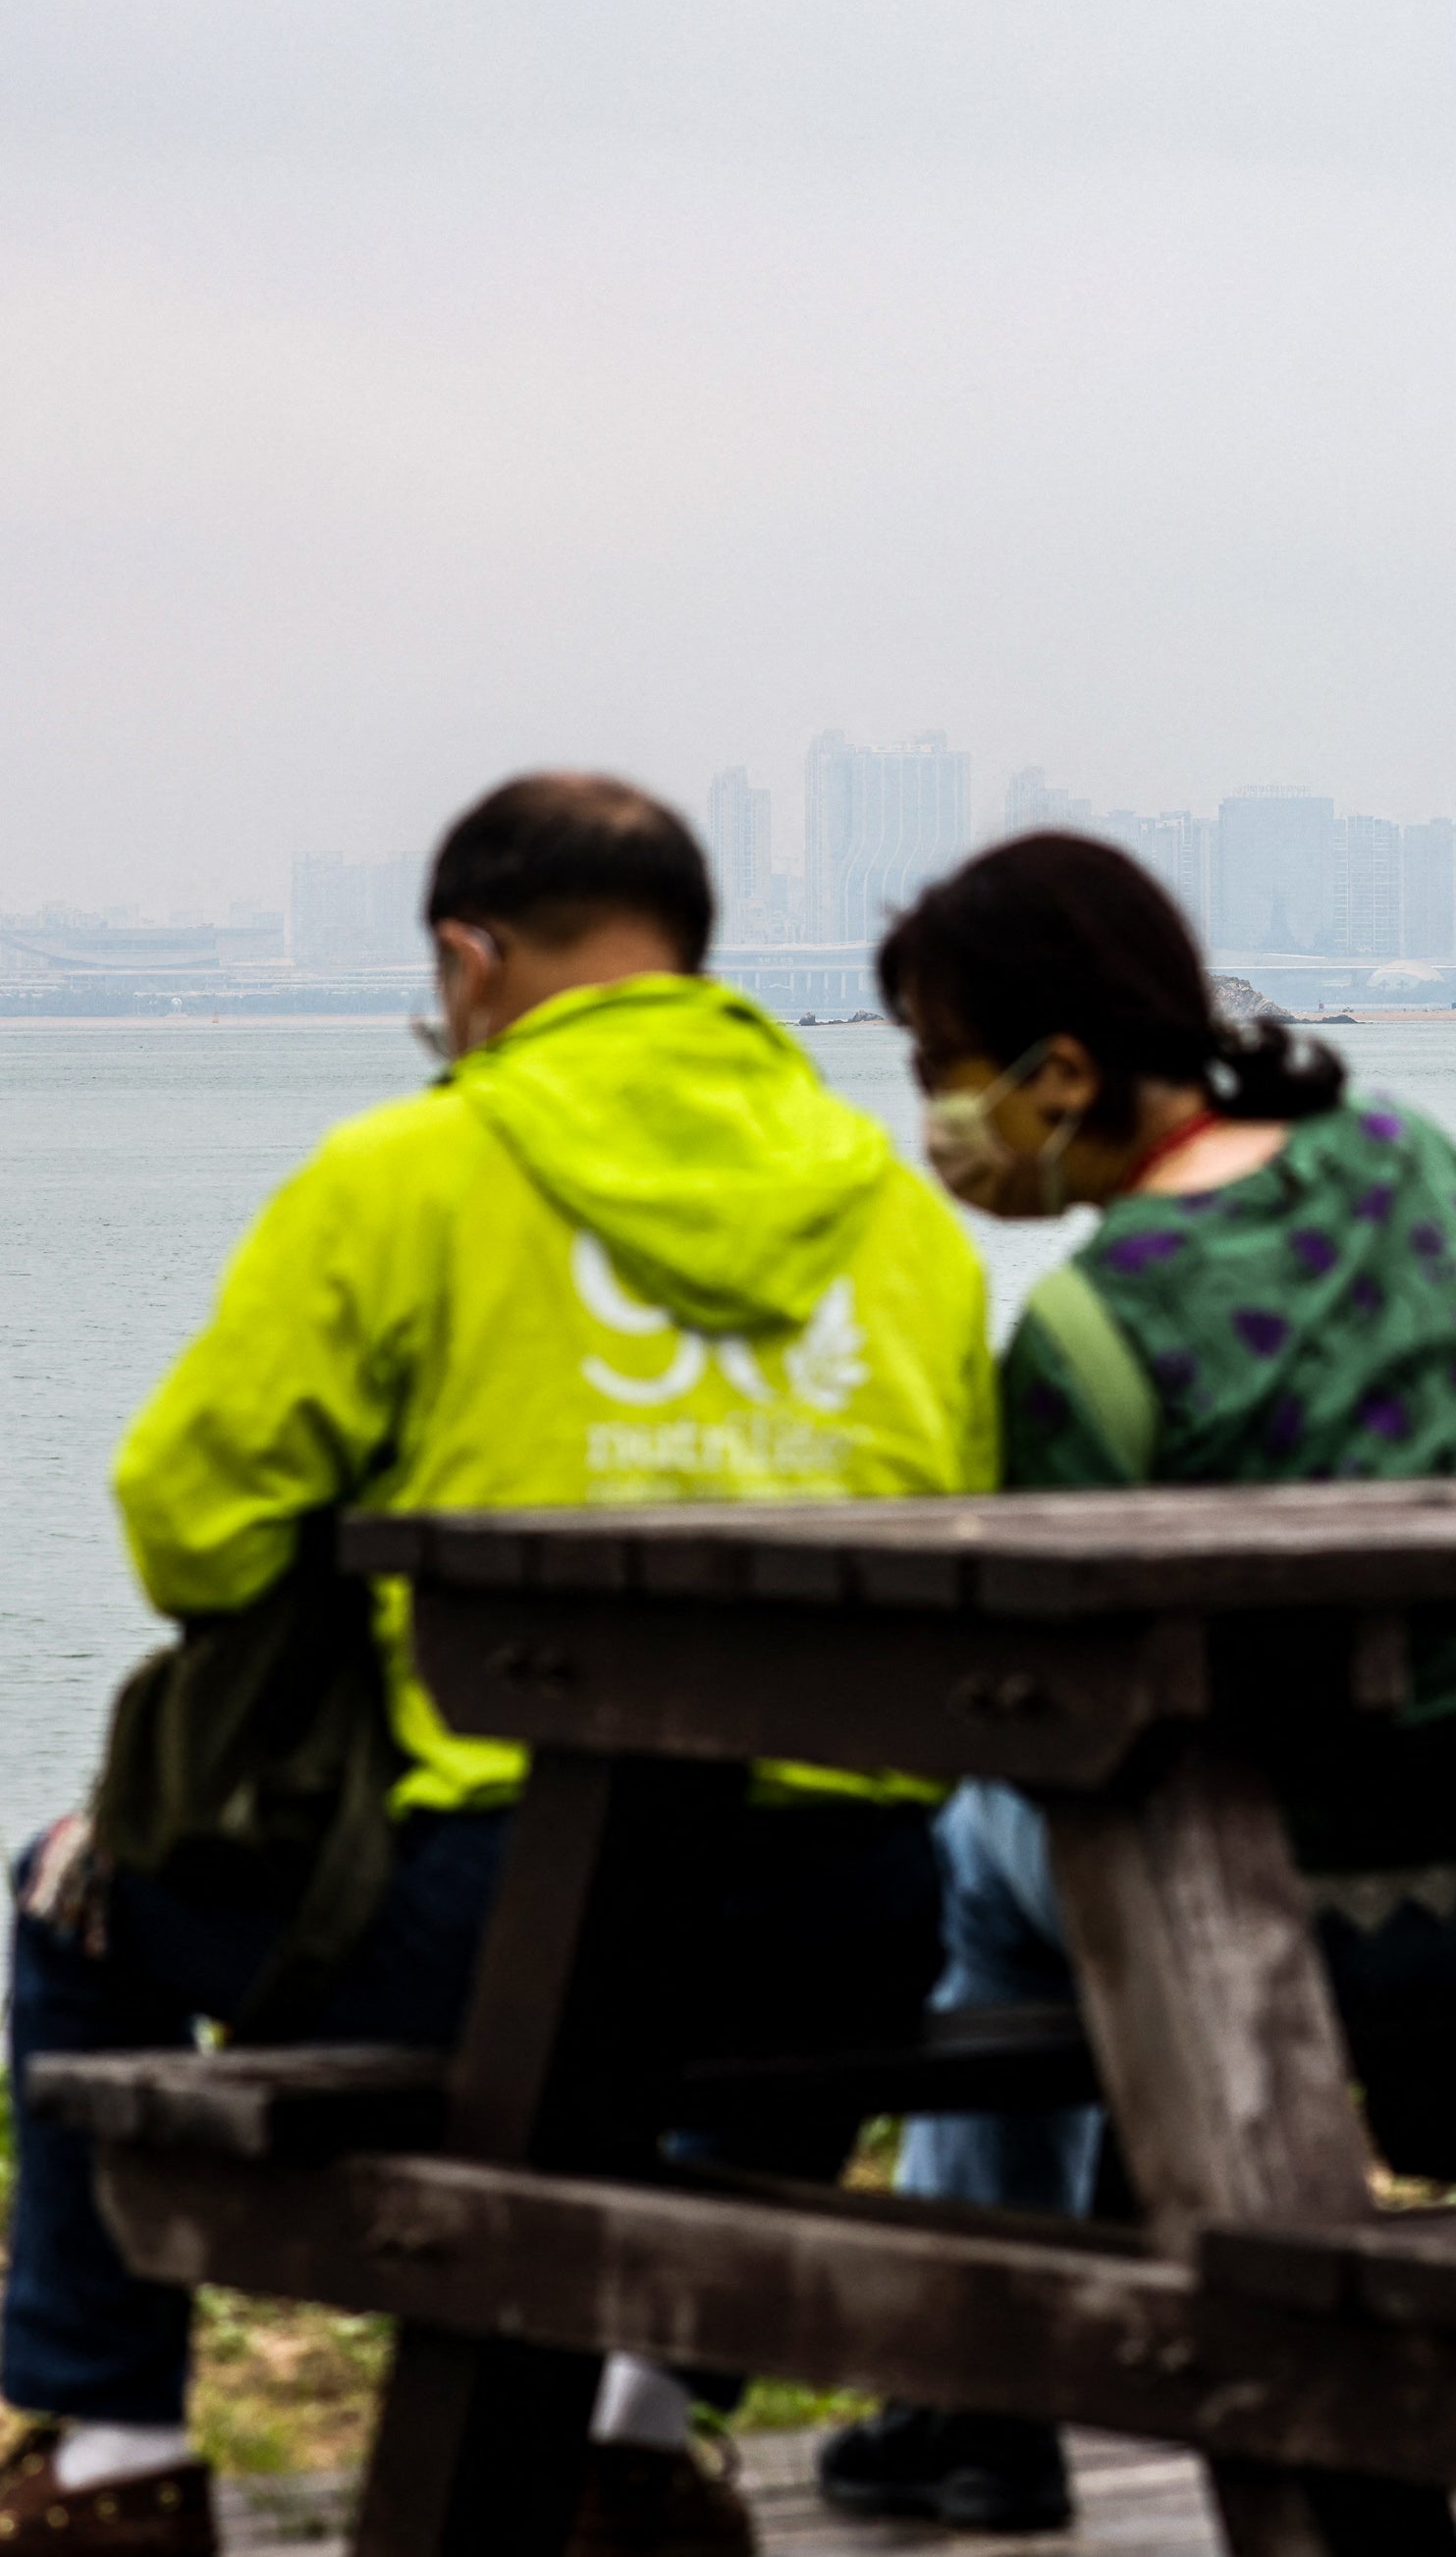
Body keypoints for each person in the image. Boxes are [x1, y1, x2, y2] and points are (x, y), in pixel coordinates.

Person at [2, 777, 996, 2554]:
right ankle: (638, 2422)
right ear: (687, 953)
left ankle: (108, 2457)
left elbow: (187, 1528)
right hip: (852, 1936)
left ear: (471, 956)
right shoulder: (891, 1211)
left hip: (517, 1928)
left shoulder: (417, 1172)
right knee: (759, 1926)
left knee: (68, 1891)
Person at [812, 834, 1456, 2533]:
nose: (933, 1120)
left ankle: (973, 2392)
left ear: (1060, 1072)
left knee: (988, 1859)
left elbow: (1024, 1692)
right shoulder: (1421, 1165)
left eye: (938, 1072)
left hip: (1285, 1912)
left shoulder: (1096, 1334)